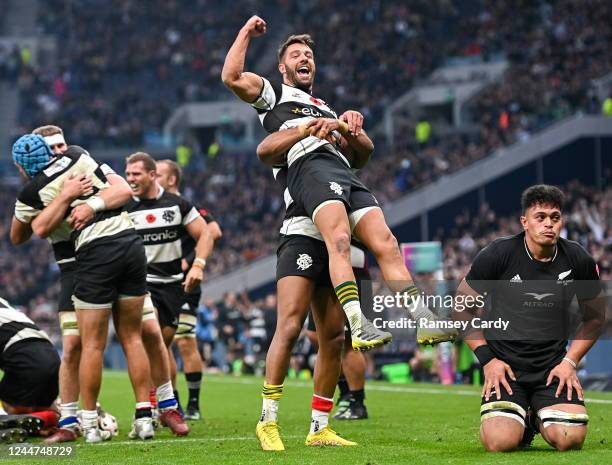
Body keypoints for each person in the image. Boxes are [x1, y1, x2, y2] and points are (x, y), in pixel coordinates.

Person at [222, 16, 455, 347]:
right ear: (282, 68)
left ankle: (424, 319)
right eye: (296, 55)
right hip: (311, 170)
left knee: (386, 243)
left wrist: (349, 126)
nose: (305, 58)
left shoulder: (325, 107)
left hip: (345, 173)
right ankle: (359, 325)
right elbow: (230, 77)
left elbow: (363, 156)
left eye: (309, 55)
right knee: (340, 241)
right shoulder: (274, 94)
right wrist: (245, 31)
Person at [11, 135, 153, 443]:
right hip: (126, 243)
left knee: (91, 344)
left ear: (21, 167)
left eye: (61, 144)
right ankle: (144, 415)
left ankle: (87, 423)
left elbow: (37, 229)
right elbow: (23, 233)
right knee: (117, 339)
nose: (61, 150)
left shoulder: (33, 189)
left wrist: (82, 202)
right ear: (48, 150)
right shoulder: (78, 156)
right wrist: (75, 195)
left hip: (92, 254)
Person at [454, 185, 605, 452]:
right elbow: (461, 308)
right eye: (540, 217)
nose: (548, 224)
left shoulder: (578, 258)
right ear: (524, 222)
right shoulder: (498, 254)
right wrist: (488, 361)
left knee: (570, 439)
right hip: (505, 369)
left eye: (555, 217)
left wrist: (570, 361)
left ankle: (535, 416)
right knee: (500, 442)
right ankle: (519, 418)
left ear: (562, 221)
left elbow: (594, 317)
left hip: (552, 369)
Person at [124, 153, 213, 426]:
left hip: (173, 286)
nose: (130, 180)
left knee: (163, 344)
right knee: (151, 338)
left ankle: (166, 404)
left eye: (135, 174)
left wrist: (198, 264)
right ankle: (153, 406)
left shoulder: (178, 205)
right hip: (142, 285)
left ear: (152, 175)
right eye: (127, 175)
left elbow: (207, 233)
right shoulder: (124, 206)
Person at [156, 159, 222, 420]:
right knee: (162, 343)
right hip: (158, 282)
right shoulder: (151, 207)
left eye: (158, 174)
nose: (153, 178)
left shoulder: (187, 207)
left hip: (185, 282)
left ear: (172, 180)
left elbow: (214, 231)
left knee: (184, 340)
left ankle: (192, 404)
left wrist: (194, 258)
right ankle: (172, 402)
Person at [0, 297, 60, 442]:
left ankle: (7, 421)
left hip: (27, 358)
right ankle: (53, 419)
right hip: (51, 355)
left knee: (12, 407)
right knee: (44, 409)